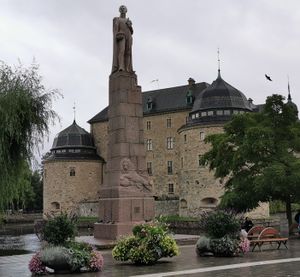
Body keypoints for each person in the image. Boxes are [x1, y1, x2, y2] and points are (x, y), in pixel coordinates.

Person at [111, 5, 133, 73]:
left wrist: (130, 26)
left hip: (128, 36)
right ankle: (121, 66)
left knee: (128, 52)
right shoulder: (117, 19)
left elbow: (132, 31)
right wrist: (117, 35)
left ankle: (127, 68)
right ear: (120, 11)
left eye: (124, 9)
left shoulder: (128, 20)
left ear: (126, 11)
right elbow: (115, 30)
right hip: (121, 36)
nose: (123, 10)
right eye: (121, 9)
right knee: (121, 51)